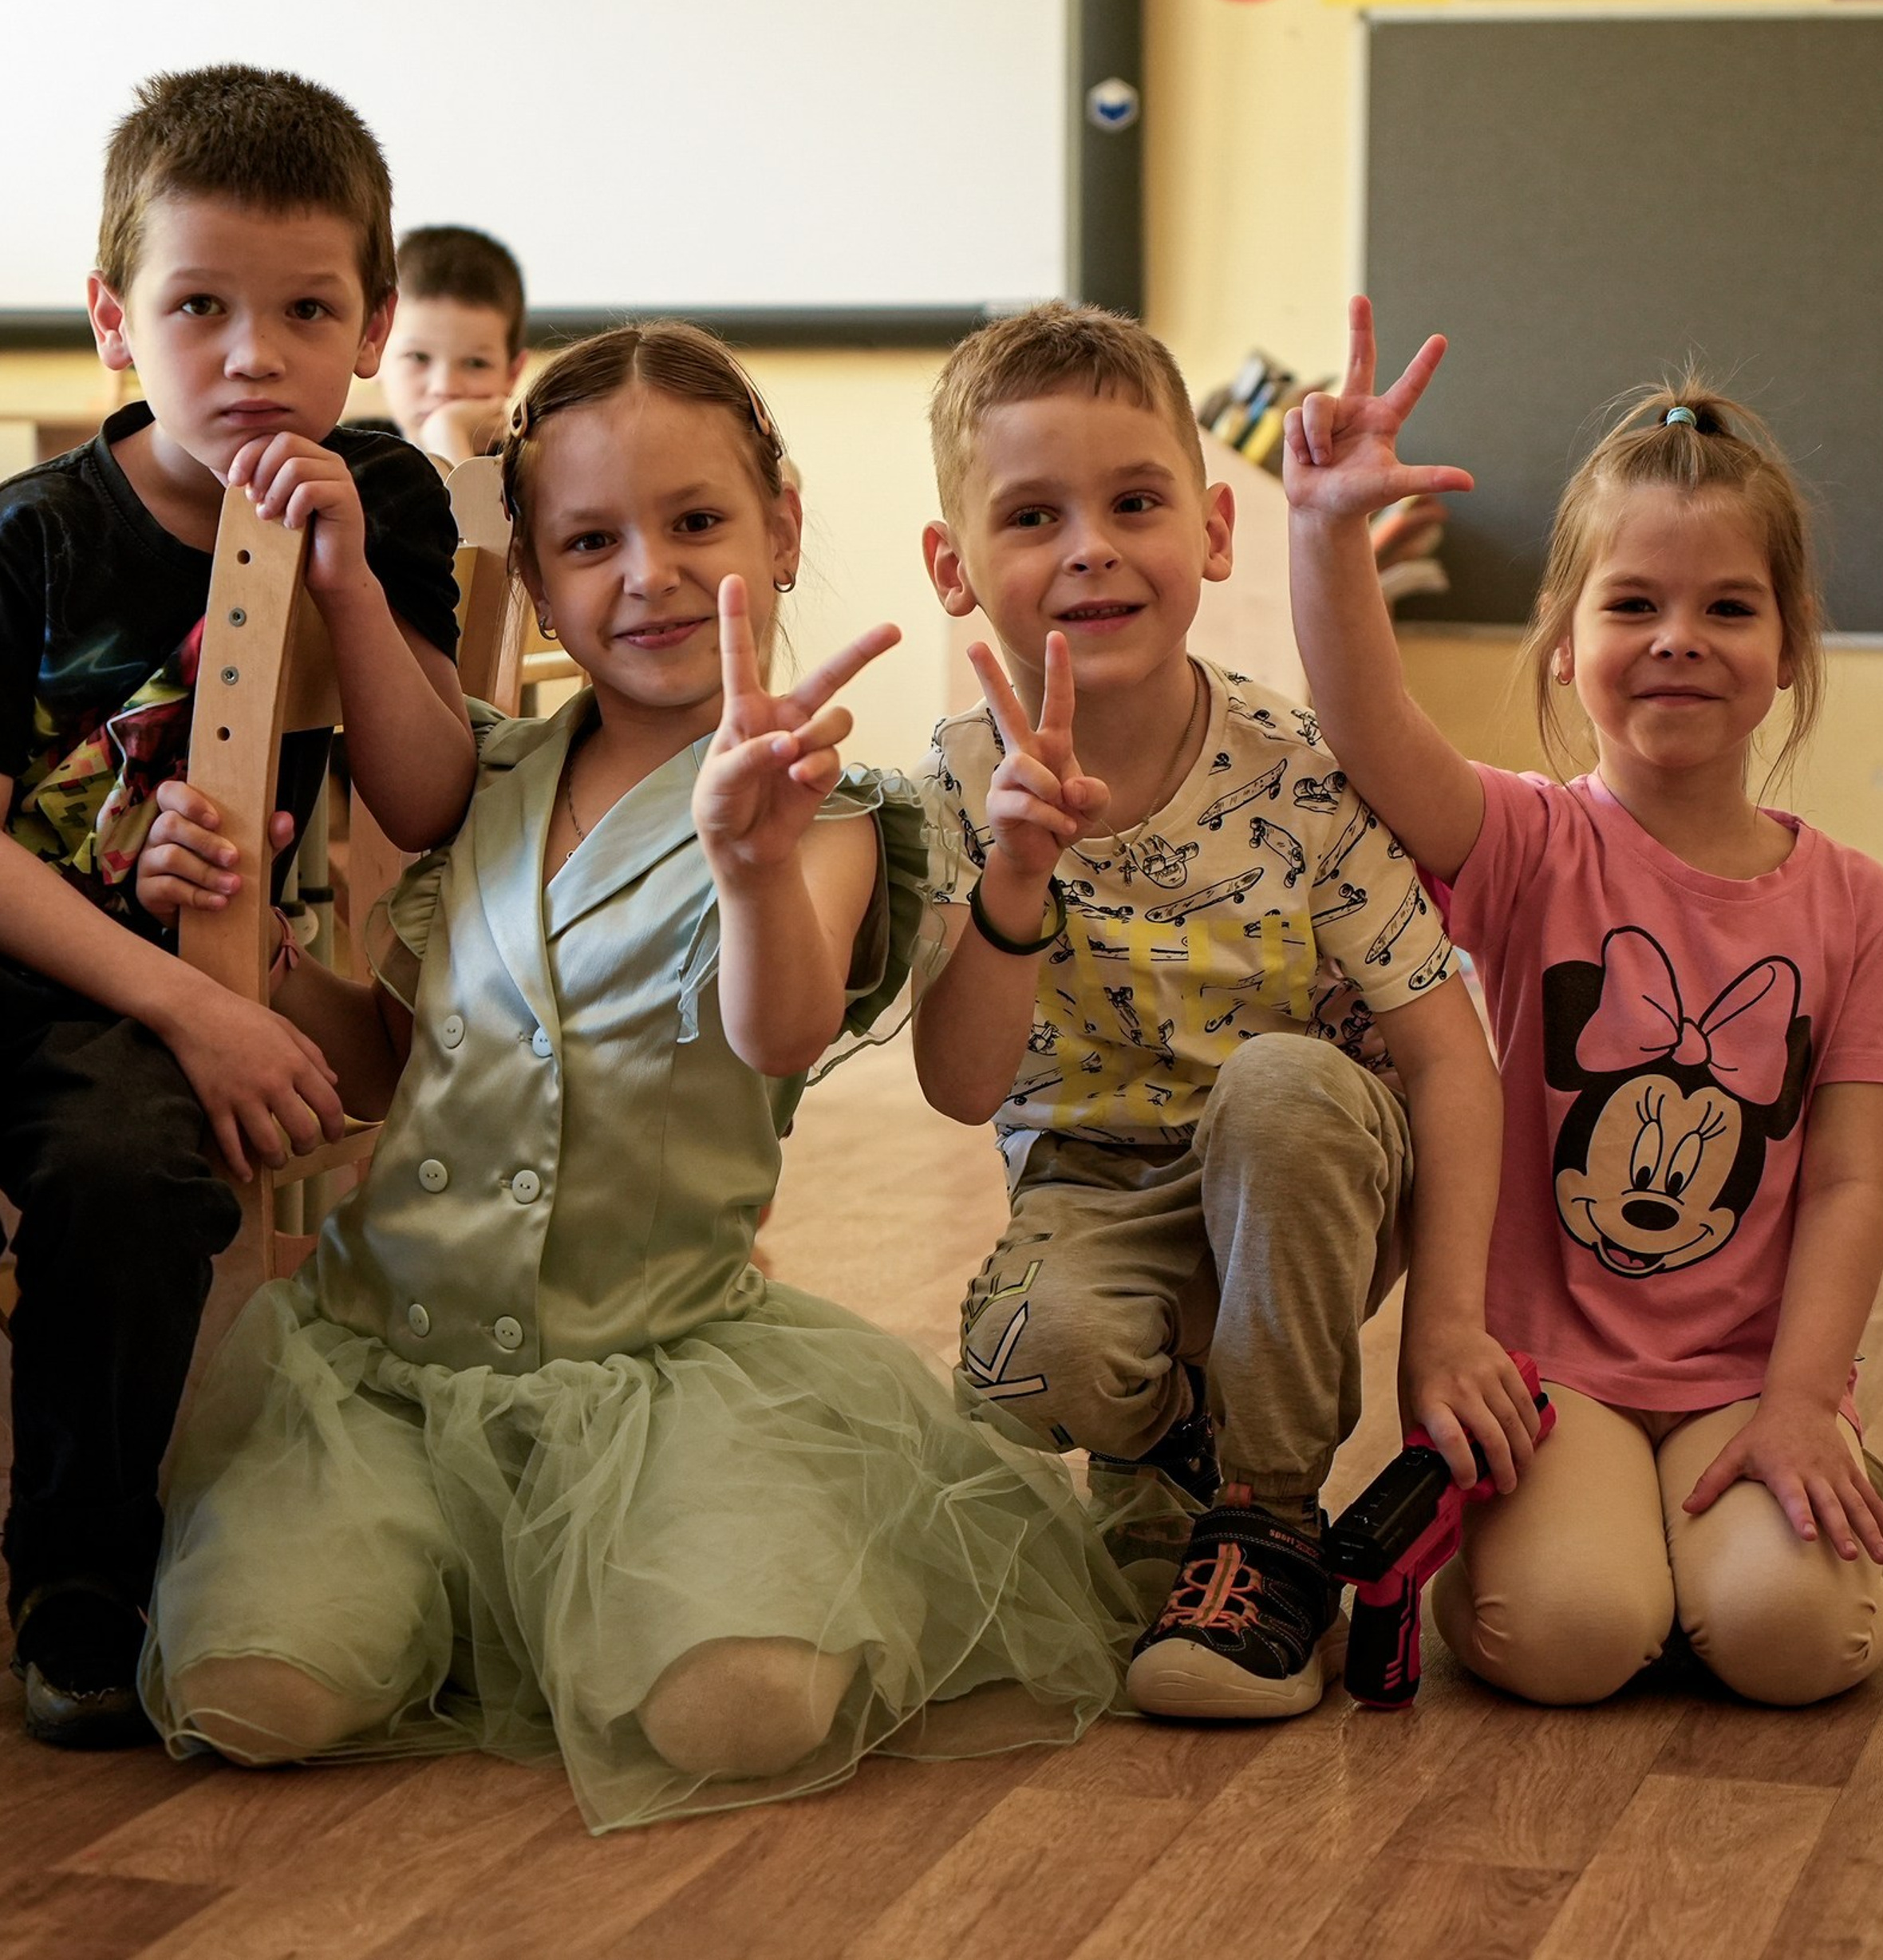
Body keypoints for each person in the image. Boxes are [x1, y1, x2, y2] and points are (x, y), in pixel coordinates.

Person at [133, 321, 1135, 1834]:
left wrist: (744, 862)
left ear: (783, 526)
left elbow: (779, 1028)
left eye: (696, 524)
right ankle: (461, 1585)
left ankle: (593, 1596)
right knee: (250, 1699)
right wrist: (258, 961)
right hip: (382, 1377)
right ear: (534, 578)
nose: (649, 575)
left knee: (746, 1713)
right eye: (591, 541)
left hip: (661, 1379)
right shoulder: (489, 780)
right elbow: (407, 1065)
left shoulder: (831, 809)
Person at [0, 63, 476, 1872]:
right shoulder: (29, 536)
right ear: (116, 317)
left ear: (367, 327)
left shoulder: (387, 502)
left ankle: (81, 1583)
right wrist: (200, 996)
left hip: (135, 975)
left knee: (131, 1165)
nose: (250, 356)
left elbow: (424, 795)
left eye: (305, 310)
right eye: (197, 306)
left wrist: (349, 579)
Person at [914, 302, 1534, 1724]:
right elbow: (960, 1086)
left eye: (1135, 503)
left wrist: (1447, 1323)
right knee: (1031, 1364)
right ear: (954, 568)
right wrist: (1015, 873)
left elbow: (1449, 1059)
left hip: (1308, 1169)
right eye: (1033, 515)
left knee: (1281, 1087)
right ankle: (1168, 1458)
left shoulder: (1299, 772)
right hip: (1091, 1184)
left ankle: (1267, 1518)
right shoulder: (951, 785)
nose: (1090, 547)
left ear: (1213, 530)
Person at [1283, 295, 1883, 1705]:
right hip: (1557, 1372)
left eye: (1728, 607)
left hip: (1751, 1372)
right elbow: (1368, 730)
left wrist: (1806, 1401)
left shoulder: (1856, 903)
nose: (1680, 637)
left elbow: (1852, 1185)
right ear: (1564, 641)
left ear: (1791, 647)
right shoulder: (1525, 843)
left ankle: (1724, 1556)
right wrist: (1324, 534)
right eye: (1633, 604)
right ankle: (1627, 1559)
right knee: (1567, 1641)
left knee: (1805, 1647)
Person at [369, 226, 527, 469]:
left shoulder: (529, 469)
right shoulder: (350, 456)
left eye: (476, 363)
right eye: (419, 357)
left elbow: (472, 511)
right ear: (374, 349)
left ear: (512, 374)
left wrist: (447, 436)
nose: (444, 388)